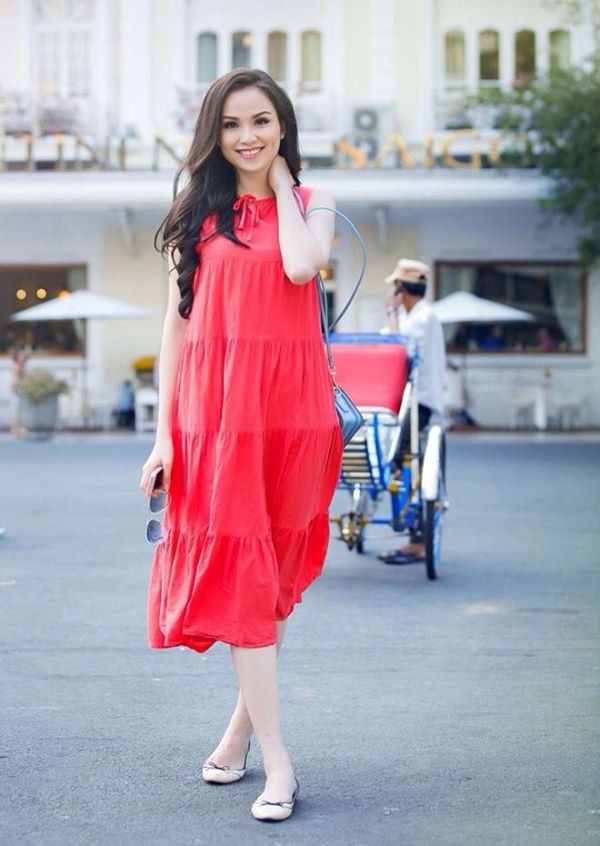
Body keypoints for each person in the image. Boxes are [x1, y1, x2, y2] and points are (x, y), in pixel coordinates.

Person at [138, 69, 341, 823]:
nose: (246, 136)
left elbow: (300, 265)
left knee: (274, 581)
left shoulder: (314, 201)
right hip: (216, 418)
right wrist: (163, 436)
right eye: (230, 124)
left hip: (293, 415)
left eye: (260, 121)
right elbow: (177, 328)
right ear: (212, 135)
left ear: (282, 126)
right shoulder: (196, 215)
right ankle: (278, 760)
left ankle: (236, 735)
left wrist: (282, 183)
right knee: (248, 583)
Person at [380, 258, 446, 563]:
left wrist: (391, 312)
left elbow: (398, 347)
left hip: (421, 400)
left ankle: (417, 536)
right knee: (396, 459)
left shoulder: (422, 317)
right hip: (412, 399)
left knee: (400, 461)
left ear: (401, 289)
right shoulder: (418, 316)